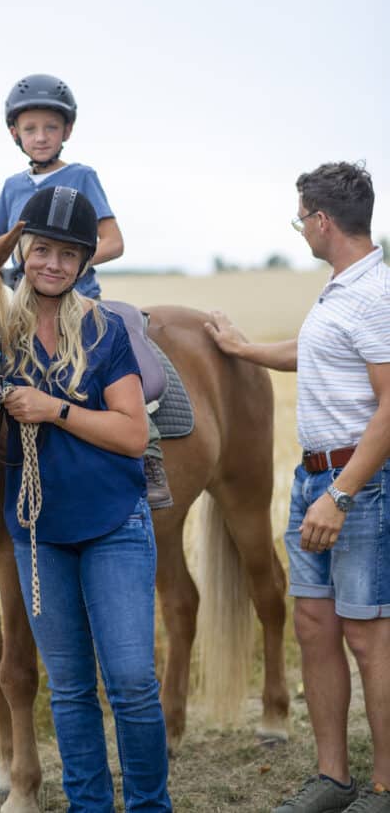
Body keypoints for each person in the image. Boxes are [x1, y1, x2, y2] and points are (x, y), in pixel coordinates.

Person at [204, 161, 390, 813]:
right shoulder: (343, 288)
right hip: (312, 479)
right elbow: (316, 354)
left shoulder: (377, 294)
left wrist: (340, 495)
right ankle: (332, 779)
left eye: (299, 217)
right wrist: (244, 350)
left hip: (356, 488)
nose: (300, 229)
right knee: (315, 626)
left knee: (369, 637)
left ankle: (385, 788)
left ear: (320, 220)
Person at [1, 184, 172, 812]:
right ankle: (89, 807)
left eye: (68, 255)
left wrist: (55, 409)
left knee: (130, 682)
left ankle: (152, 807)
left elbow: (132, 434)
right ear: (23, 251)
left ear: (83, 264)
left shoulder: (104, 331)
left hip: (114, 525)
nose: (53, 263)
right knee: (70, 688)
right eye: (42, 249)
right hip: (39, 532)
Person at [0, 72, 172, 509]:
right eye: (30, 129)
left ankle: (150, 452)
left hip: (81, 295)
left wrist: (66, 266)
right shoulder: (11, 187)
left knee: (128, 337)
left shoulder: (83, 176)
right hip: (23, 299)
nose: (41, 137)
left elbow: (114, 240)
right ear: (15, 133)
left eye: (51, 127)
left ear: (67, 131)